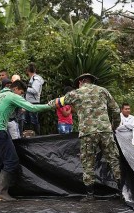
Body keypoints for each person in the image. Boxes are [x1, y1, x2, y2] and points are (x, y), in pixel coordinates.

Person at [50, 73, 121, 202]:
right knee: (113, 159)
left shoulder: (76, 93)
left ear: (81, 82)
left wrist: (45, 105)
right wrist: (114, 126)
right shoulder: (103, 91)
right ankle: (123, 192)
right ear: (92, 81)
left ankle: (90, 195)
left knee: (88, 162)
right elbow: (116, 110)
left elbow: (58, 102)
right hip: (105, 131)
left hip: (88, 133)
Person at [0, 79, 54, 201]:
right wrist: (51, 105)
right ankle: (1, 193)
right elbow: (32, 108)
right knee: (11, 161)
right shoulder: (11, 96)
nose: (21, 96)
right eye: (21, 93)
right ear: (15, 89)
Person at [21, 63, 44, 136]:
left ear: (27, 71)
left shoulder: (36, 79)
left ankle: (37, 136)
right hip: (29, 102)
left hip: (34, 102)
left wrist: (25, 88)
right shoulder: (33, 78)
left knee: (34, 121)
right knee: (27, 120)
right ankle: (28, 136)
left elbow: (35, 90)